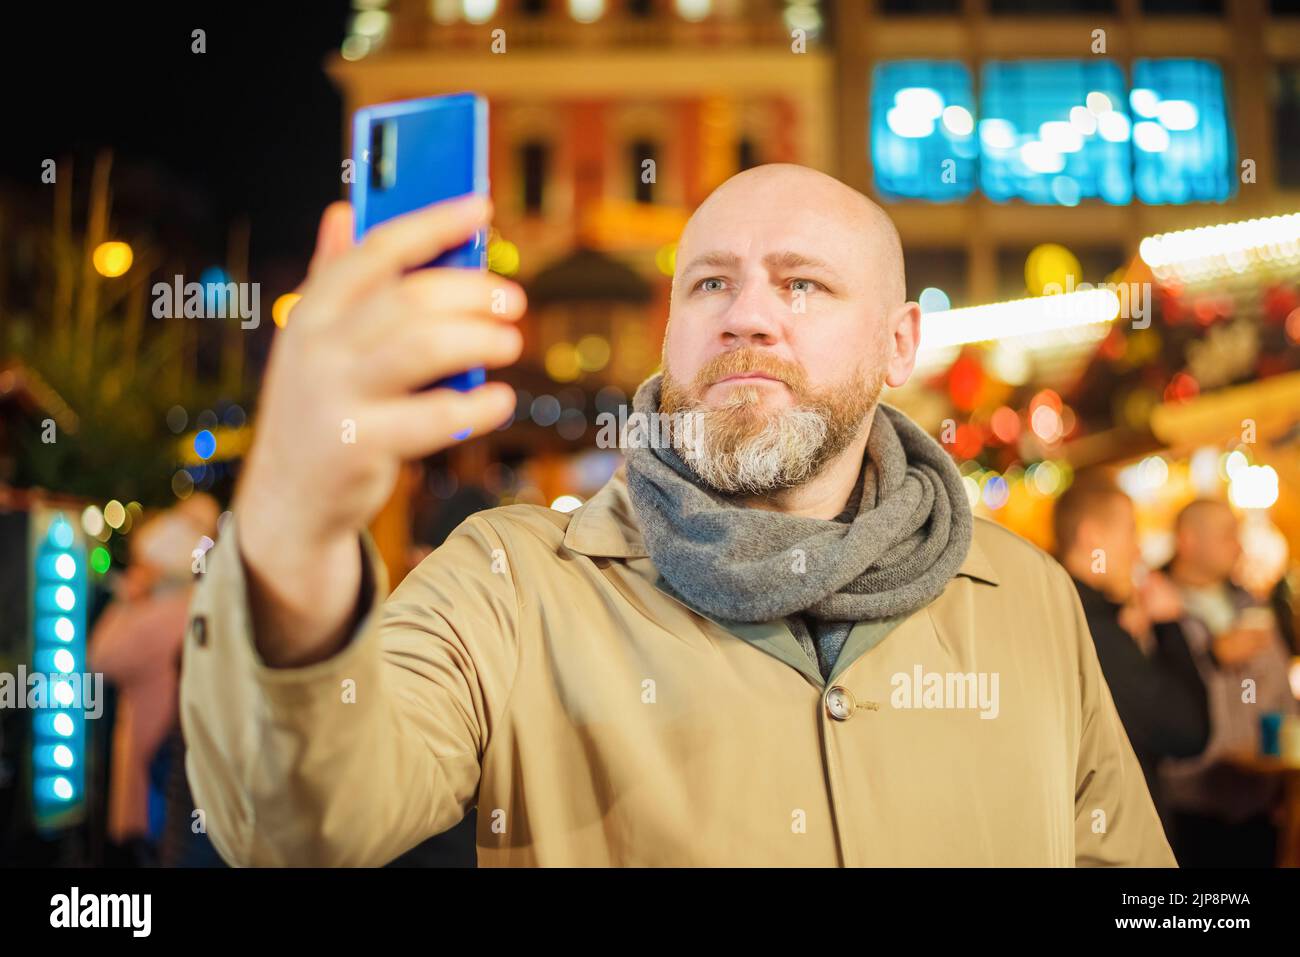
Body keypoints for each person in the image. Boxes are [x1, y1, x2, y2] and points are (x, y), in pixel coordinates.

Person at [180, 164, 1174, 866]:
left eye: (801, 283)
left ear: (897, 343)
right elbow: (296, 827)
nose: (745, 315)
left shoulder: (1024, 598)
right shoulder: (511, 582)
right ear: (671, 326)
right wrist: (291, 533)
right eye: (710, 283)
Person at [1052, 472, 1209, 834]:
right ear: (1092, 537)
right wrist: (1170, 625)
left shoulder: (1062, 610)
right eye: (1131, 531)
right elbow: (1188, 730)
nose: (1138, 549)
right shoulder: (1090, 626)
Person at [1161, 499, 1298, 867]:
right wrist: (1212, 659)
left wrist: (1287, 786)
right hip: (1187, 809)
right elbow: (1150, 705)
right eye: (1227, 535)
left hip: (1260, 804)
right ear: (1188, 541)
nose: (1238, 546)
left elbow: (1283, 697)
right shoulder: (1153, 611)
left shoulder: (1253, 605)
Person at [89, 494, 218, 864]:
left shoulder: (158, 616)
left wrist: (128, 599)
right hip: (184, 771)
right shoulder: (200, 605)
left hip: (152, 773)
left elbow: (99, 658)